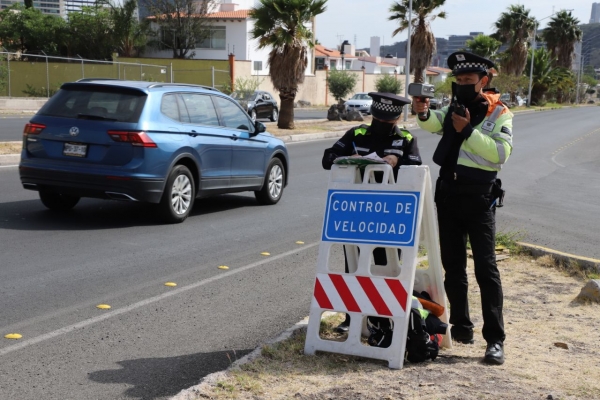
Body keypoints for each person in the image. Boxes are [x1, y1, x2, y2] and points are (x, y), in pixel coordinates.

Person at [413, 51, 513, 365]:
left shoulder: (500, 113)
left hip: (480, 199)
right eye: (458, 81)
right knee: (453, 268)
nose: (463, 86)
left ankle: (494, 340)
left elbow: (500, 154)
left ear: (484, 81)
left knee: (486, 269)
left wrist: (468, 131)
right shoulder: (455, 107)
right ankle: (461, 326)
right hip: (448, 196)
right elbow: (432, 124)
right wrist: (423, 110)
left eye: (469, 81)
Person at [322, 92, 422, 333]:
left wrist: (398, 162)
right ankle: (353, 319)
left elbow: (418, 170)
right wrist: (349, 157)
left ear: (397, 118)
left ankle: (383, 320)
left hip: (391, 216)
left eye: (386, 122)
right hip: (358, 212)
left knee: (387, 266)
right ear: (372, 115)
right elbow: (328, 158)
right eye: (378, 119)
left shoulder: (406, 139)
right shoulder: (356, 134)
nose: (381, 125)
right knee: (354, 264)